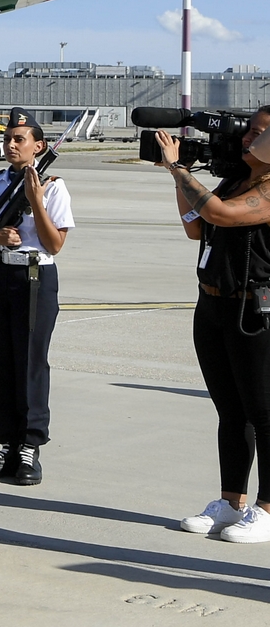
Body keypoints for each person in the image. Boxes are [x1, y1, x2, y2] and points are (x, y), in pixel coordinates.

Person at [154, 108, 270, 543]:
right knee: (230, 412)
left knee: (265, 414)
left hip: (256, 311)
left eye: (257, 133)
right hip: (214, 304)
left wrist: (178, 168)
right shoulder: (236, 179)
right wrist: (178, 178)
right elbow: (198, 227)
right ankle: (231, 502)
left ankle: (266, 509)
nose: (245, 139)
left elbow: (221, 214)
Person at [0, 107, 72, 486]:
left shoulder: (54, 186)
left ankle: (30, 447)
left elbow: (55, 243)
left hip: (34, 276)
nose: (11, 144)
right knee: (0, 362)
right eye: (8, 138)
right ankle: (7, 443)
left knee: (31, 363)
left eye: (19, 139)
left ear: (38, 146)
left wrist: (35, 199)